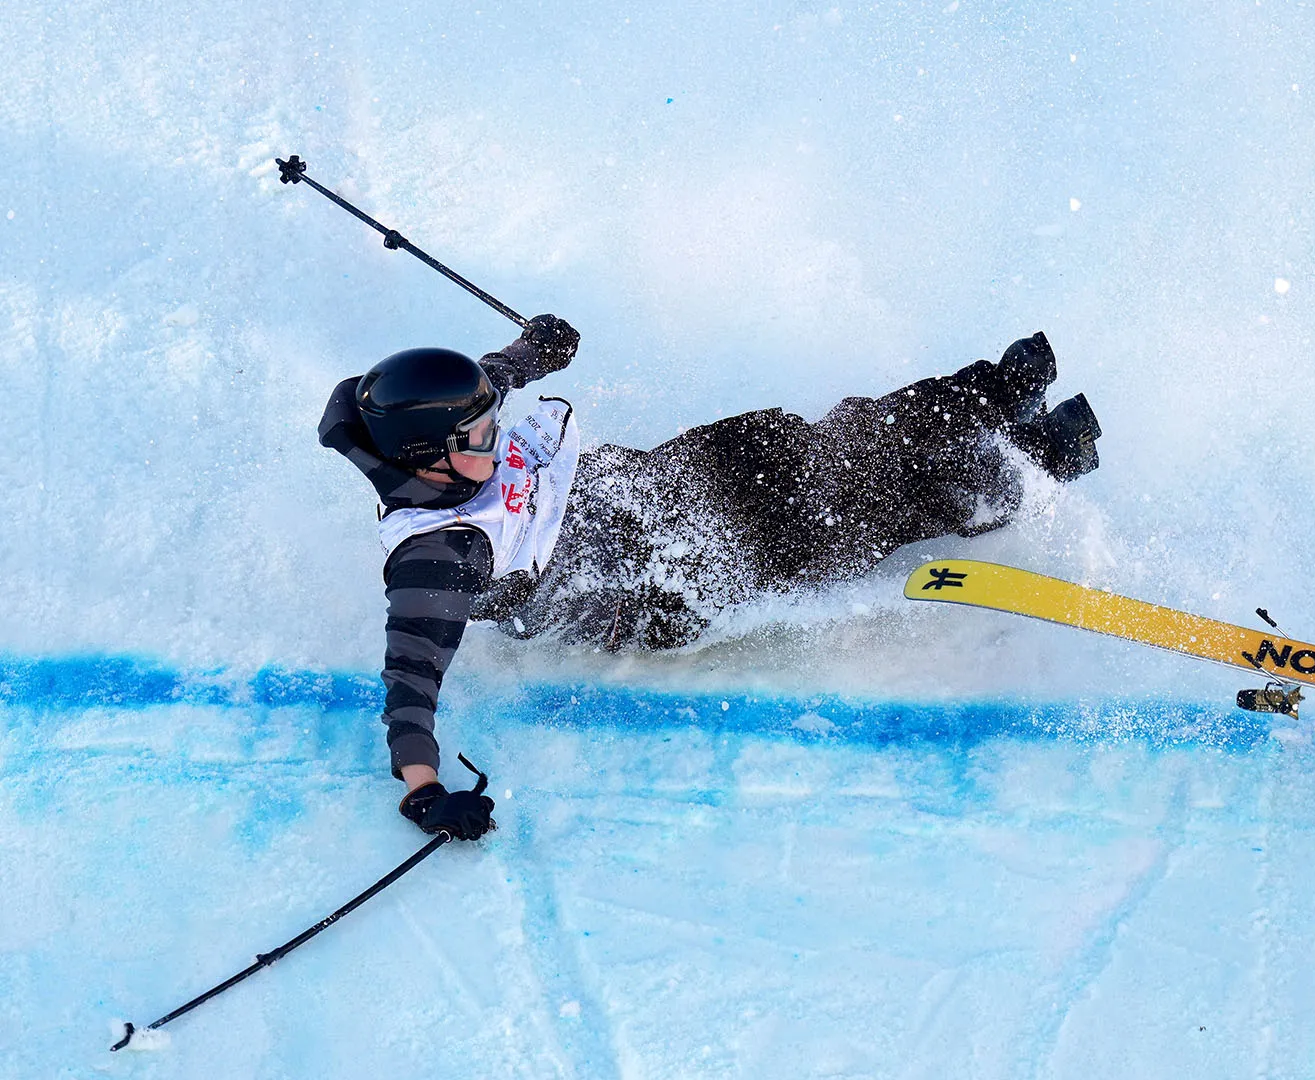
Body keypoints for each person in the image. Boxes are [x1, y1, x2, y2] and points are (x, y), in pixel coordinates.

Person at [318, 317, 1102, 839]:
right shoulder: (438, 557)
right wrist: (424, 793)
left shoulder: (429, 431)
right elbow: (410, 679)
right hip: (665, 582)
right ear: (429, 458)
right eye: (481, 435)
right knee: (842, 510)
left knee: (794, 443)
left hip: (650, 490)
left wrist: (529, 354)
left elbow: (481, 382)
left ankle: (990, 398)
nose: (497, 434)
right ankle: (1032, 466)